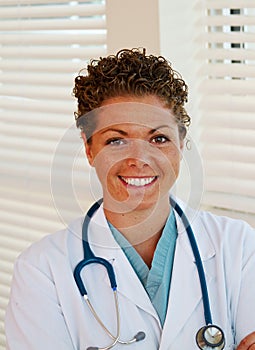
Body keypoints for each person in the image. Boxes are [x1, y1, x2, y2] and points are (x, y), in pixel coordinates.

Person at [5, 48, 255, 350]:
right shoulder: (42, 270)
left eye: (158, 139)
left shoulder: (238, 247)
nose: (139, 159)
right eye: (116, 140)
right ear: (89, 149)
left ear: (181, 142)